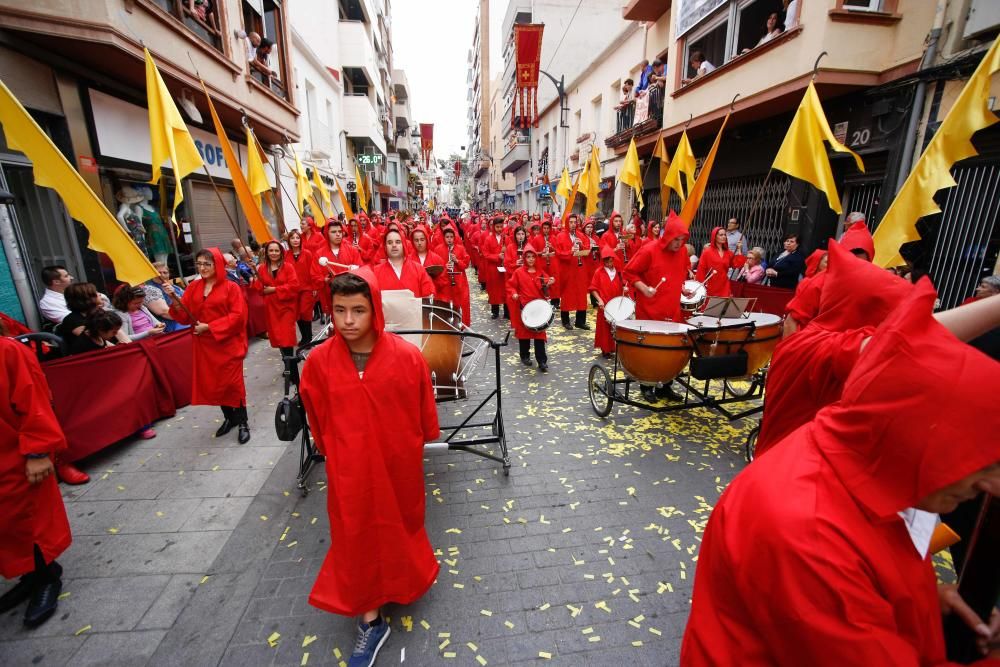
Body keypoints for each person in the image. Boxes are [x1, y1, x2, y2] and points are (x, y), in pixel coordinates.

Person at [681, 281, 1000, 666]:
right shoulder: (810, 536)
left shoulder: (870, 476)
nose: (992, 485)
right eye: (984, 462)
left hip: (791, 465)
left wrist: (925, 607)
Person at [299, 270, 439, 667]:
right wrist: (333, 452)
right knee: (356, 534)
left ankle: (401, 581)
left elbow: (423, 410)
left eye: (358, 310)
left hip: (397, 465)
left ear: (374, 309)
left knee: (400, 525)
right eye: (340, 310)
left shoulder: (406, 356)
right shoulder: (320, 363)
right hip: (350, 470)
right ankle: (371, 618)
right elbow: (317, 416)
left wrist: (417, 443)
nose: (347, 320)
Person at [0, 324, 73, 628]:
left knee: (28, 520)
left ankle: (45, 578)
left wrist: (38, 451)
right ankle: (29, 575)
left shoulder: (8, 351)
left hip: (14, 456)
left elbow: (35, 400)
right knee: (6, 526)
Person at [164, 248, 251, 444]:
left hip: (228, 344)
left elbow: (238, 317)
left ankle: (243, 421)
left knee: (233, 384)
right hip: (204, 346)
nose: (202, 268)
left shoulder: (231, 288)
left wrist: (210, 327)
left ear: (217, 265)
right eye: (200, 264)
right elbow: (185, 316)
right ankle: (229, 418)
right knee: (216, 383)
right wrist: (174, 300)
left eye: (207, 264)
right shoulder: (194, 288)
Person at [624, 212, 694, 403]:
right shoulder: (649, 250)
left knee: (670, 350)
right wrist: (644, 289)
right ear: (667, 236)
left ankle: (666, 386)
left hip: (672, 309)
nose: (679, 244)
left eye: (682, 240)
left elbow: (676, 277)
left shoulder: (681, 253)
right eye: (675, 240)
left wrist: (683, 290)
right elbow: (630, 272)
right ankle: (647, 385)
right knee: (651, 349)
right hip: (649, 309)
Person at [251, 240, 300, 380]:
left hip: (286, 309)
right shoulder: (261, 268)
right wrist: (255, 275)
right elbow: (259, 288)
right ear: (266, 252)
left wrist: (275, 289)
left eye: (276, 250)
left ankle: (293, 372)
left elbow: (294, 286)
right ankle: (287, 366)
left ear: (281, 252)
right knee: (279, 339)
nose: (273, 253)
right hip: (271, 309)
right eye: (271, 250)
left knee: (287, 339)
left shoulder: (288, 267)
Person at [507, 248, 553, 371]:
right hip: (524, 307)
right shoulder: (518, 272)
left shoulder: (540, 272)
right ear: (524, 258)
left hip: (538, 307)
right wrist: (514, 294)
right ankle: (525, 355)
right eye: (528, 257)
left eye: (533, 256)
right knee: (524, 334)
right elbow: (511, 286)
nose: (531, 259)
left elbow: (546, 289)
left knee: (539, 335)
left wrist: (548, 284)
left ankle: (542, 361)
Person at [313, 221, 362, 316]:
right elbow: (314, 276)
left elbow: (361, 270)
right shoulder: (319, 254)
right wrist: (324, 280)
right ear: (327, 233)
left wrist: (355, 272)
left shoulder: (352, 250)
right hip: (331, 296)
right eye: (334, 232)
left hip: (351, 294)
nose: (338, 234)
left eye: (340, 231)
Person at [372, 229, 434, 298]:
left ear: (403, 244)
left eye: (398, 242)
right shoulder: (375, 272)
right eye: (390, 242)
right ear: (385, 247)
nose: (394, 245)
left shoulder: (419, 269)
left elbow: (428, 295)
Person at [555, 213, 591, 330]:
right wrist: (570, 251)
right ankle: (565, 321)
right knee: (567, 295)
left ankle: (580, 321)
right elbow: (558, 253)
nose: (573, 225)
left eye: (575, 222)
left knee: (581, 295)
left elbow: (588, 250)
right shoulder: (560, 236)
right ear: (566, 223)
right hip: (567, 270)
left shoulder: (581, 235)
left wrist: (582, 245)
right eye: (570, 222)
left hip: (580, 270)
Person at [589, 246, 625, 358]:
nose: (609, 264)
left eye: (611, 261)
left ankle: (613, 346)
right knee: (604, 327)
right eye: (607, 261)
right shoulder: (599, 272)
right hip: (604, 303)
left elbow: (623, 284)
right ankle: (605, 348)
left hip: (616, 303)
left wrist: (625, 289)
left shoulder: (618, 272)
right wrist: (599, 300)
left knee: (616, 325)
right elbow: (593, 288)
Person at [285, 230, 317, 346]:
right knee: (297, 313)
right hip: (292, 290)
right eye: (292, 238)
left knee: (305, 312)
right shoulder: (286, 255)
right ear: (289, 240)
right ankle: (304, 337)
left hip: (306, 288)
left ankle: (308, 337)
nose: (295, 240)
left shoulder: (307, 253)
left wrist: (314, 287)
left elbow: (313, 270)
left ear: (300, 240)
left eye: (297, 238)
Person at [435, 224, 472, 326]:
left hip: (460, 282)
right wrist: (444, 266)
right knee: (446, 304)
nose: (449, 239)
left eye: (451, 237)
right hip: (445, 283)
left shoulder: (460, 248)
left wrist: (457, 261)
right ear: (444, 238)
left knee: (461, 304)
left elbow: (466, 264)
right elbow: (436, 266)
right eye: (447, 237)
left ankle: (461, 325)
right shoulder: (438, 249)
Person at [696, 226, 741, 297]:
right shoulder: (707, 252)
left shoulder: (729, 253)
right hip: (710, 285)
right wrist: (700, 287)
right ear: (715, 236)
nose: (724, 237)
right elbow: (701, 270)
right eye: (721, 235)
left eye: (725, 235)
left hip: (724, 285)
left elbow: (737, 265)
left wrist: (739, 250)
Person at [146, 262, 188, 332]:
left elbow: (189, 301)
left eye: (165, 272)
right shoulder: (149, 288)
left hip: (186, 318)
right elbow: (165, 312)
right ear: (152, 274)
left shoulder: (174, 287)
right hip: (173, 324)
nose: (162, 275)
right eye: (158, 273)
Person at [531, 218, 562, 310]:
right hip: (542, 263)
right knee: (544, 282)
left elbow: (559, 251)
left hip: (553, 263)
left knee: (555, 282)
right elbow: (533, 252)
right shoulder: (537, 239)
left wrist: (552, 247)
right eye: (544, 228)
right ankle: (545, 300)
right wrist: (541, 252)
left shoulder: (554, 238)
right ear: (541, 228)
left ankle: (556, 301)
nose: (546, 230)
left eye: (548, 228)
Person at [480, 217, 509, 319]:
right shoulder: (488, 239)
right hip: (493, 269)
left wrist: (505, 255)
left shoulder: (506, 238)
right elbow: (486, 254)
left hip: (504, 268)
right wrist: (497, 256)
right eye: (497, 227)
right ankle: (495, 311)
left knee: (506, 290)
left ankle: (507, 312)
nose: (499, 229)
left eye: (501, 227)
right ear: (493, 227)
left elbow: (511, 252)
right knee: (494, 291)